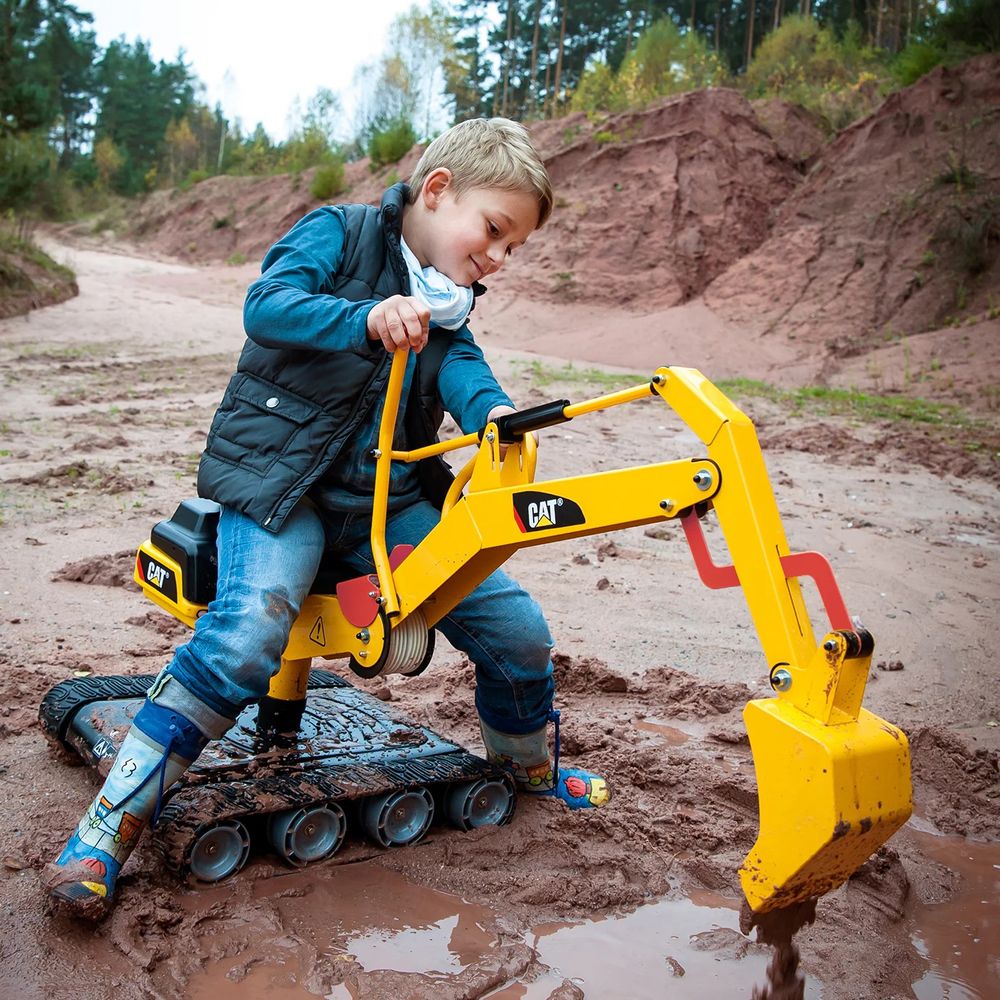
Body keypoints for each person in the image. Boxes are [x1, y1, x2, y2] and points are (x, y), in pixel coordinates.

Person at [45, 117, 610, 918]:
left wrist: (495, 415)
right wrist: (365, 318)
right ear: (438, 190)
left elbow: (465, 369)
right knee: (247, 631)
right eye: (494, 230)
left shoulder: (448, 309)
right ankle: (107, 828)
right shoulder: (339, 234)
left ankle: (527, 770)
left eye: (514, 247)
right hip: (282, 489)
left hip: (387, 507)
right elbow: (267, 306)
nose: (500, 258)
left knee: (516, 630)